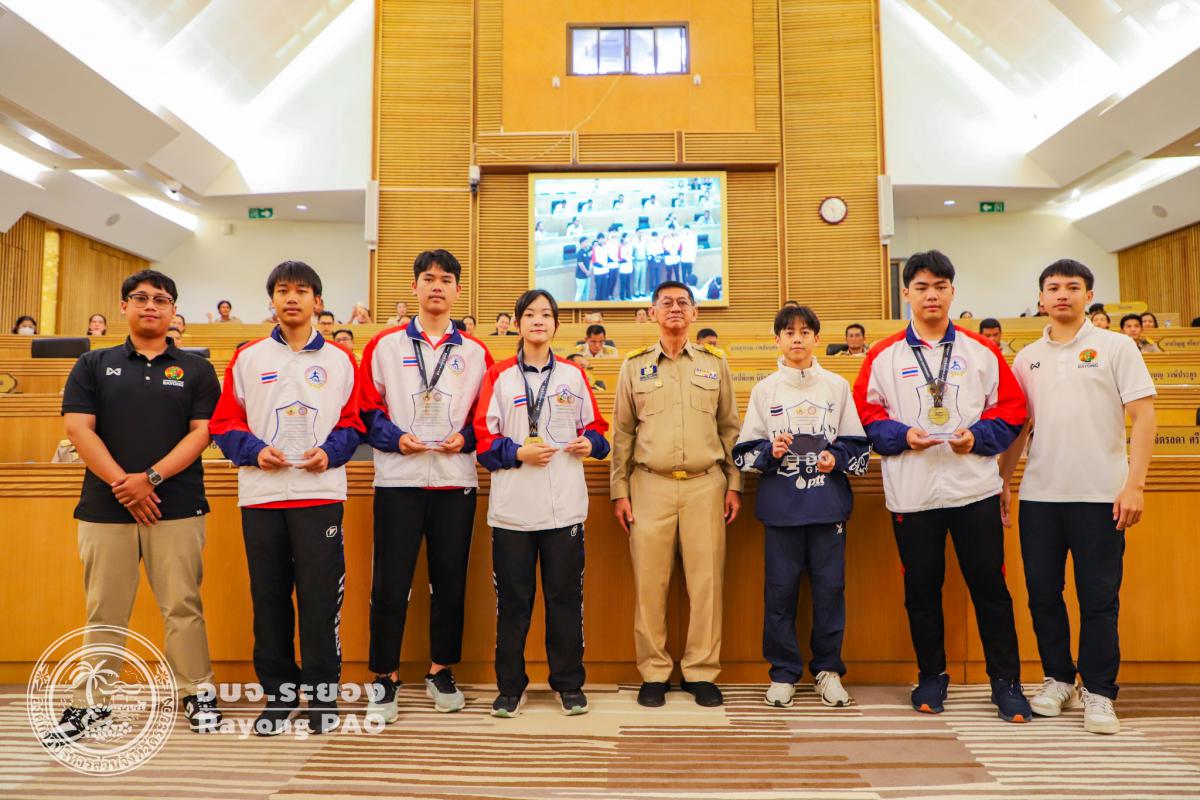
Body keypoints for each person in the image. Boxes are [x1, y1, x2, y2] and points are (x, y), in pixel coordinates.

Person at [44, 269, 223, 746]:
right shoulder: (93, 364)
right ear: (123, 306)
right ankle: (91, 703)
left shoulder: (196, 370)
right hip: (106, 507)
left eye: (161, 300)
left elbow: (202, 433)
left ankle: (197, 692)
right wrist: (124, 485)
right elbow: (78, 429)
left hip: (177, 505)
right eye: (141, 298)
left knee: (183, 605)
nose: (150, 306)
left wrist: (151, 479)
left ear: (173, 311)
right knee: (104, 609)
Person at [852, 250, 1031, 723]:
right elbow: (865, 414)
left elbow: (1012, 410)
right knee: (922, 591)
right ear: (906, 293)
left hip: (973, 489)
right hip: (913, 493)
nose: (931, 295)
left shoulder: (981, 350)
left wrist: (978, 438)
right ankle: (931, 676)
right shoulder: (884, 355)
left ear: (952, 291)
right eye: (922, 287)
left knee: (990, 588)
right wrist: (900, 436)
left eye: (940, 286)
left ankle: (1006, 683)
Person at [999, 259, 1156, 735]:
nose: (1062, 294)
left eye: (1072, 287)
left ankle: (1100, 691)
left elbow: (1144, 416)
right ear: (1041, 298)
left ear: (1089, 295)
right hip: (1041, 495)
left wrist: (1134, 484)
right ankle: (1059, 679)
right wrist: (1004, 480)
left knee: (1098, 598)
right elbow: (1019, 428)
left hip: (1101, 494)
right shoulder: (1027, 357)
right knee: (1043, 594)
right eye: (1053, 288)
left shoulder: (1116, 346)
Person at [210, 260, 365, 736]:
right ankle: (278, 696)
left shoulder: (341, 361)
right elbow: (224, 423)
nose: (291, 298)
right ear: (272, 301)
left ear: (318, 301)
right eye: (282, 290)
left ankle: (322, 696)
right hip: (262, 497)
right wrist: (254, 451)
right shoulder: (248, 358)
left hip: (319, 495)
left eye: (301, 290)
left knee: (320, 602)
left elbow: (354, 422)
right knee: (270, 601)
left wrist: (330, 452)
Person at [358, 249, 494, 723]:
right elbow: (367, 410)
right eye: (429, 278)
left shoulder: (475, 352)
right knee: (389, 583)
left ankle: (441, 670)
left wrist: (467, 438)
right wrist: (396, 439)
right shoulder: (384, 346)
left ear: (457, 290)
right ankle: (385, 675)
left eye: (446, 280)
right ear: (414, 286)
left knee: (450, 581)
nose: (437, 286)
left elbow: (486, 416)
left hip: (455, 482)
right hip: (399, 480)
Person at [475, 289, 610, 717]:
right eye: (530, 314)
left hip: (564, 508)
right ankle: (509, 688)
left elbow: (599, 431)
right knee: (513, 605)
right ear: (517, 323)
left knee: (565, 600)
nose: (538, 321)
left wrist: (590, 443)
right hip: (512, 513)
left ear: (555, 324)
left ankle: (568, 684)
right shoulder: (498, 376)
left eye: (546, 314)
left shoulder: (573, 374)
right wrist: (518, 452)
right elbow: (484, 443)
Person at [611, 280, 742, 708]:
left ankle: (701, 671)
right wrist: (619, 492)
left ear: (694, 313)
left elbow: (730, 428)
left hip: (706, 485)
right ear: (652, 313)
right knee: (650, 584)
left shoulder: (714, 363)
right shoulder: (634, 366)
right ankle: (654, 672)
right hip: (650, 486)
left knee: (707, 585)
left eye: (683, 302)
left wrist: (734, 483)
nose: (674, 309)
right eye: (665, 303)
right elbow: (622, 434)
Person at [733, 305, 869, 709]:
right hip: (782, 510)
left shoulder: (837, 387)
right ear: (777, 340)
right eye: (789, 332)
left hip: (828, 508)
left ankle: (828, 671)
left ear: (816, 338)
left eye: (805, 331)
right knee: (780, 593)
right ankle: (782, 673)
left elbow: (859, 449)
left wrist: (835, 459)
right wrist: (770, 452)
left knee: (830, 592)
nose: (797, 338)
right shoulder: (765, 390)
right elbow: (743, 454)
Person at [617, 233, 634, 300]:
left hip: (629, 267)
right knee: (623, 283)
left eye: (628, 237)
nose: (627, 239)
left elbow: (630, 255)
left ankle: (628, 295)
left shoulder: (630, 246)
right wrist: (624, 260)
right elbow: (618, 258)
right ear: (623, 238)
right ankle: (622, 296)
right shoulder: (620, 246)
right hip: (623, 268)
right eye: (626, 237)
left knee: (628, 282)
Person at [574, 237, 592, 302]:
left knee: (586, 293)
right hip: (580, 276)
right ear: (581, 243)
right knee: (580, 293)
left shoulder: (588, 251)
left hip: (588, 276)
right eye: (586, 242)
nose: (587, 243)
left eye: (588, 242)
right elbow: (581, 264)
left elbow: (591, 260)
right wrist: (586, 272)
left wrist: (589, 270)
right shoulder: (579, 253)